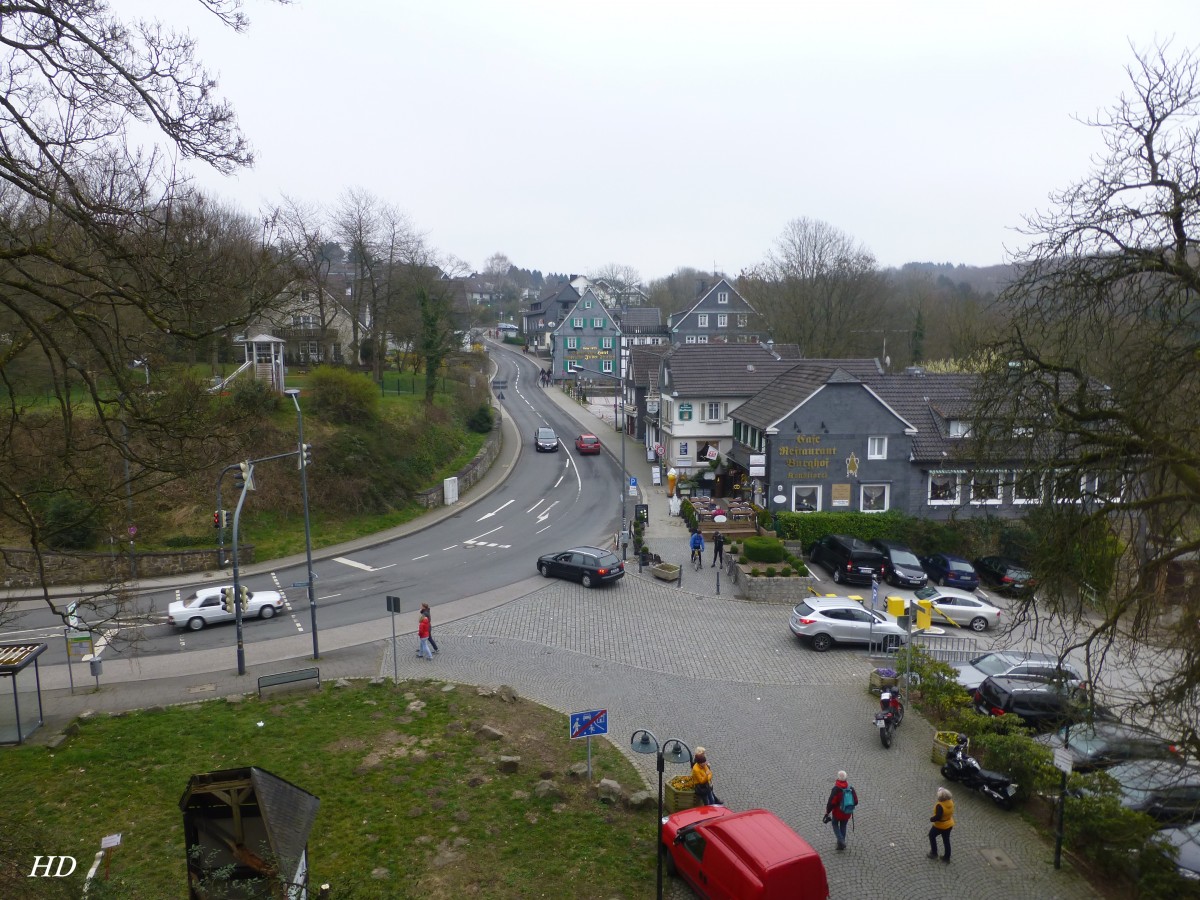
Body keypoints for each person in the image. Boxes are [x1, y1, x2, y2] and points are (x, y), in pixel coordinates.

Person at [823, 770, 857, 851]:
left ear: (838, 778)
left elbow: (831, 803)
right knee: (843, 826)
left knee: (835, 824)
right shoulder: (851, 788)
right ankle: (840, 846)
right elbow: (856, 801)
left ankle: (841, 841)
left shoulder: (836, 789)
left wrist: (827, 812)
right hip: (847, 812)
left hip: (837, 813)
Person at [928, 787, 955, 863]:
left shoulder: (939, 805)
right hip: (949, 823)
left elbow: (938, 817)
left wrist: (932, 819)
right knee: (946, 840)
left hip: (940, 825)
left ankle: (934, 853)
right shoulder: (951, 802)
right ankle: (947, 857)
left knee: (931, 835)